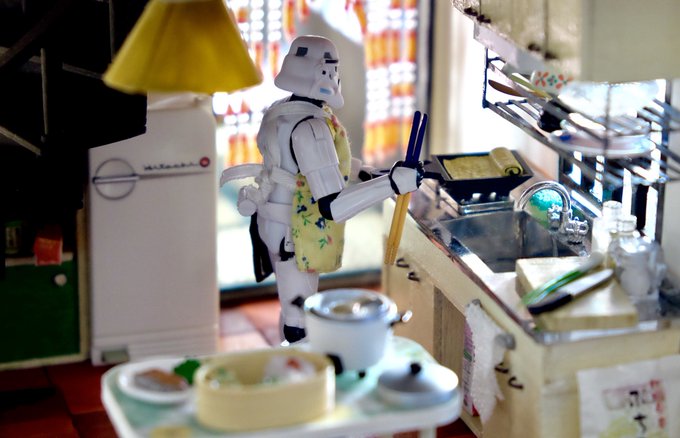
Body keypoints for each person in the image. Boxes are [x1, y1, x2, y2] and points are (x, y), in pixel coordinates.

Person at [221, 35, 423, 342]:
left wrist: (368, 173)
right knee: (299, 319)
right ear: (322, 72)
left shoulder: (281, 110)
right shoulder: (310, 126)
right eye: (331, 69)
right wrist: (392, 183)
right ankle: (300, 368)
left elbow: (318, 164)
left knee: (292, 306)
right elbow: (333, 205)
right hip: (295, 231)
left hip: (273, 220)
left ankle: (290, 362)